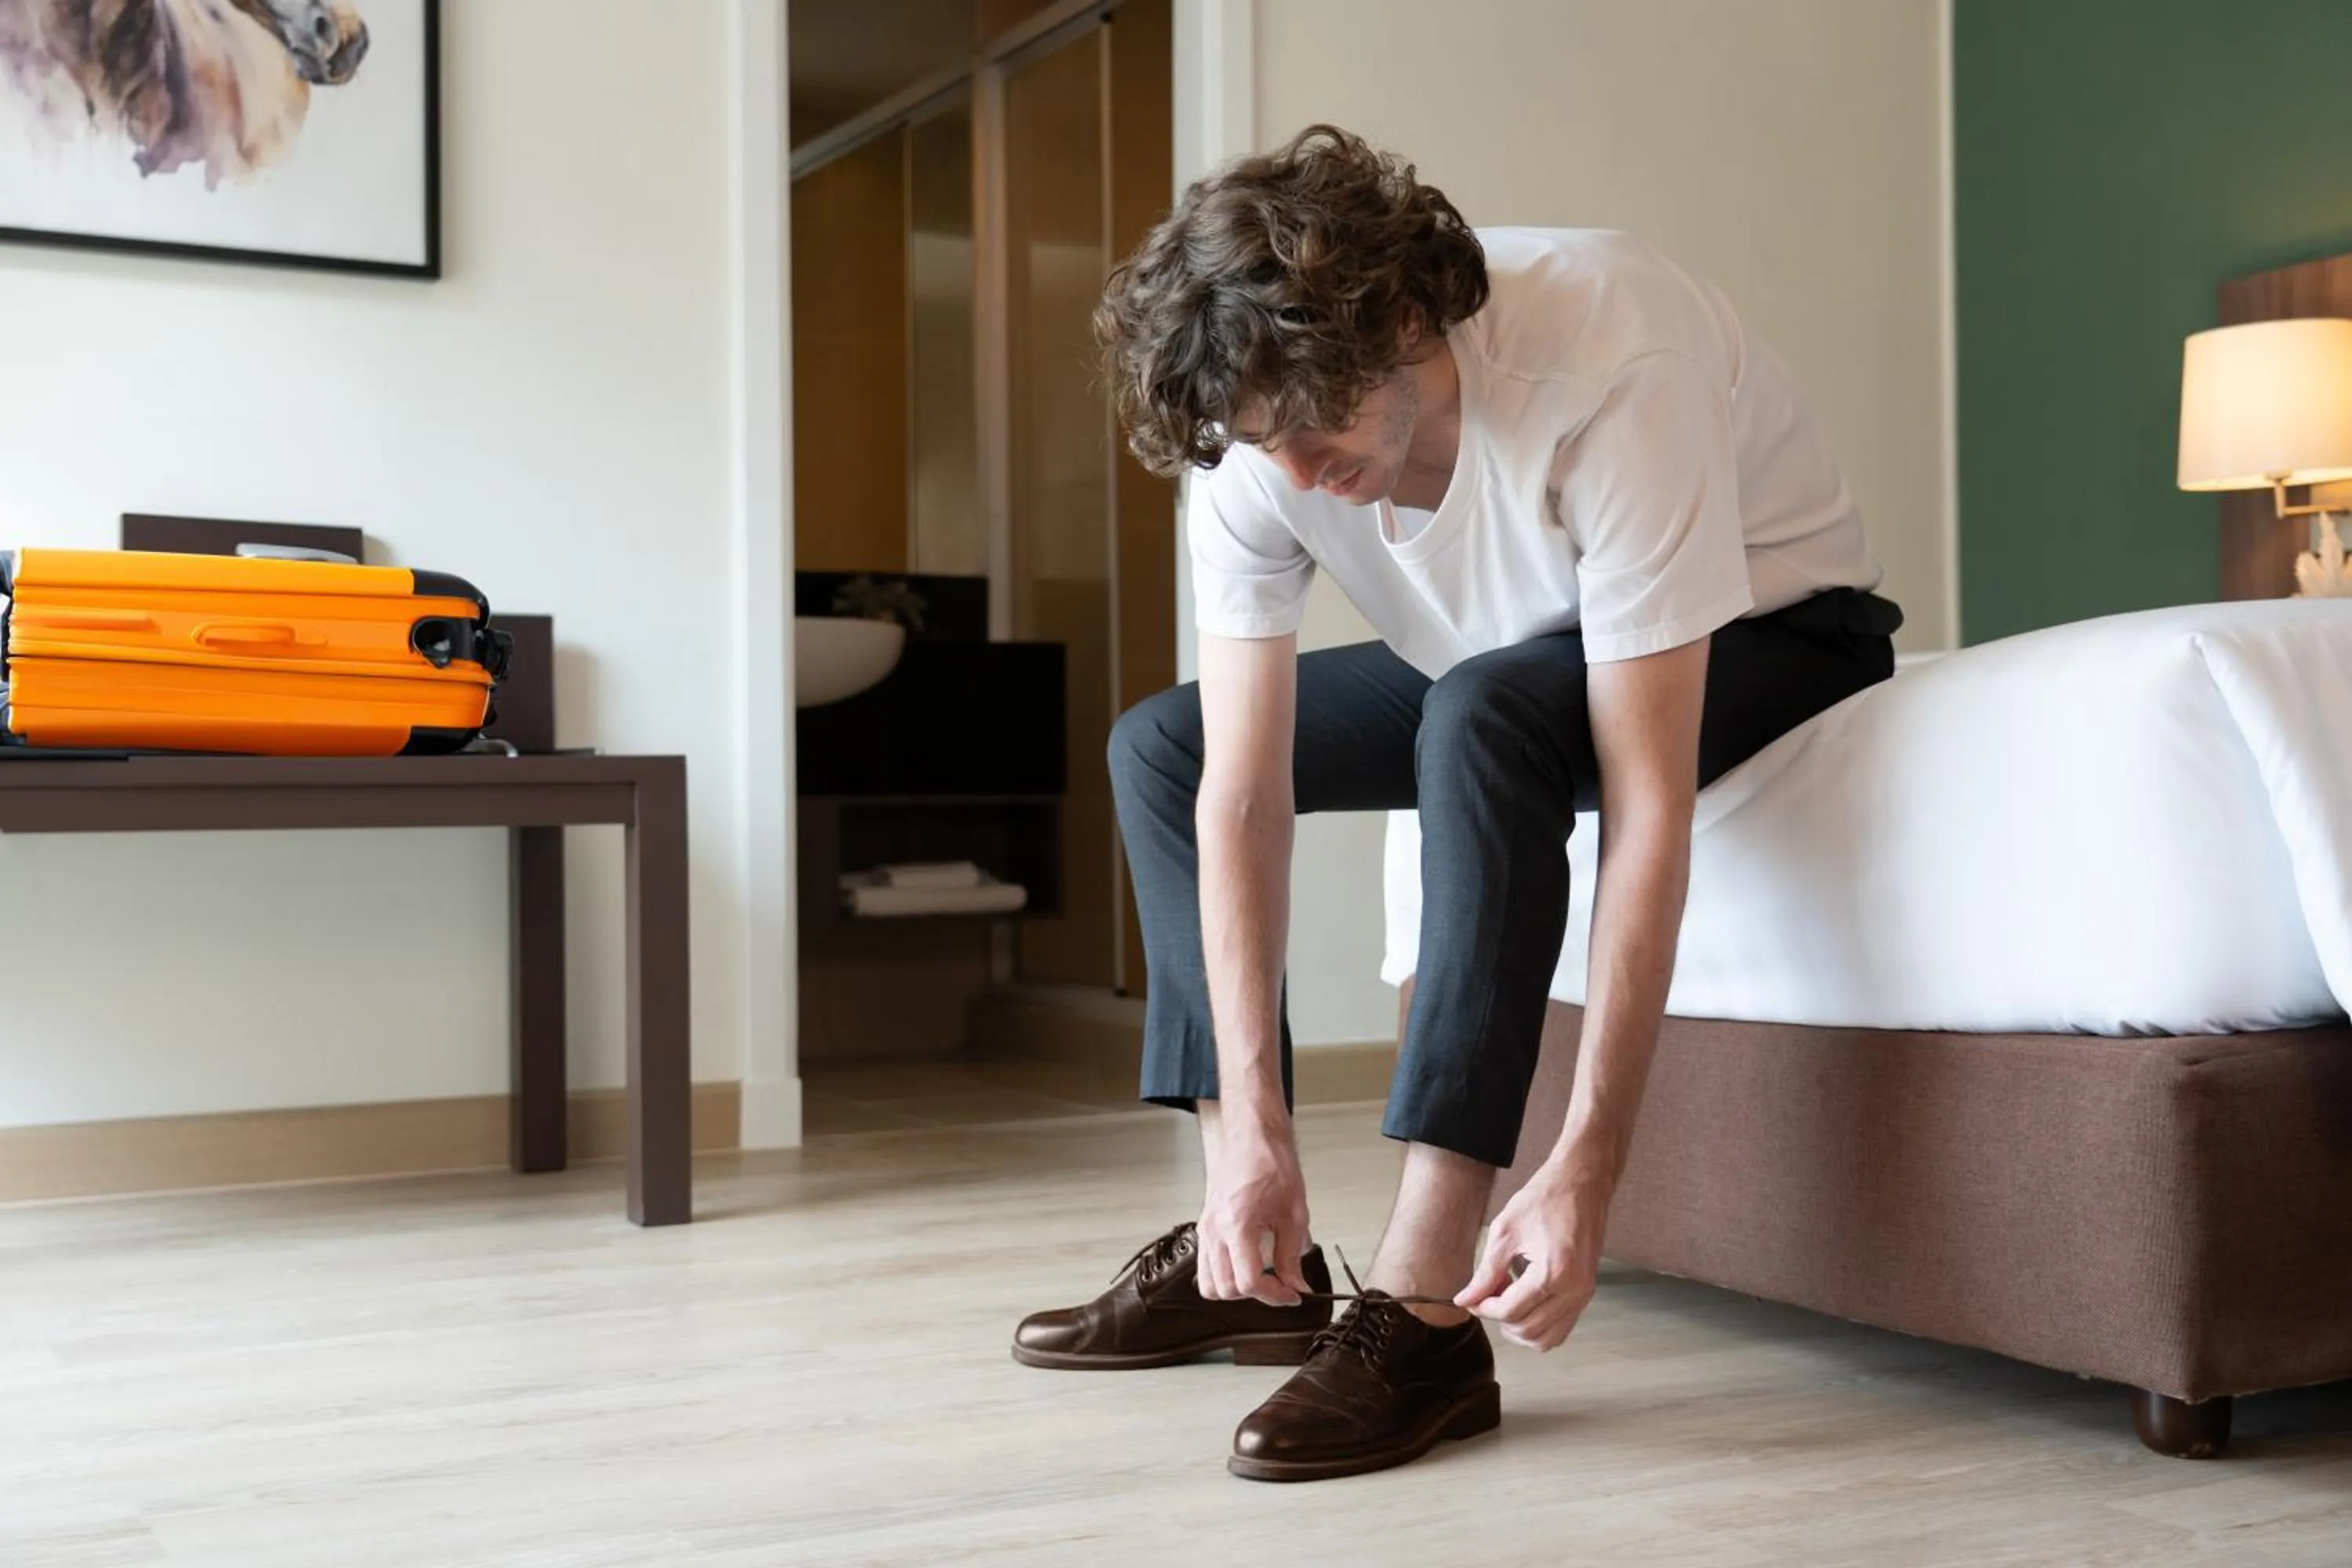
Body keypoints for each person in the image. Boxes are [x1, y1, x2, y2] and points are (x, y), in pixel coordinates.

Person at [1011, 125, 1904, 1483]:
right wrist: (1251, 1129)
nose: (1298, 473)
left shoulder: (1613, 357)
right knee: (1167, 746)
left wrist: (1589, 1156)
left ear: (1409, 319)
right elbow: (1247, 788)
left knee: (1482, 711)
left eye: (1316, 427)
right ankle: (1258, 1250)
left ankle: (1422, 1313)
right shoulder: (1259, 443)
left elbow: (1647, 808)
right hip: (1509, 648)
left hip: (1777, 627)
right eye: (1265, 443)